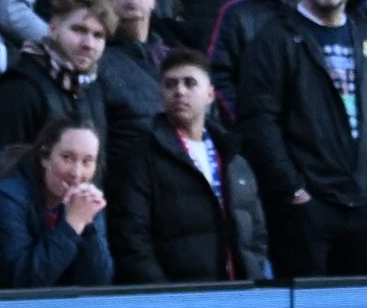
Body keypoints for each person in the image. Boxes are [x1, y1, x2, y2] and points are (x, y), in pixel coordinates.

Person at [236, 0, 367, 282]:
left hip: (365, 205)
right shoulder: (275, 39)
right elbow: (259, 121)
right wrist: (292, 189)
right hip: (306, 209)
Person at [109, 47, 263, 285]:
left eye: (190, 83)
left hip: (239, 297)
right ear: (160, 93)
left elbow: (256, 235)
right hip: (177, 302)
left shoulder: (234, 159)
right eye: (170, 85)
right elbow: (132, 239)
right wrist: (165, 294)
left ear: (210, 94)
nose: (179, 91)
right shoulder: (140, 158)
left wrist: (254, 278)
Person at [0, 118, 116, 288]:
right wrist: (72, 225)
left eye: (87, 161)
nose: (77, 173)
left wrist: (88, 228)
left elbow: (99, 281)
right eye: (67, 158)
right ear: (44, 157)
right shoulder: (6, 197)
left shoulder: (85, 200)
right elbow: (21, 280)